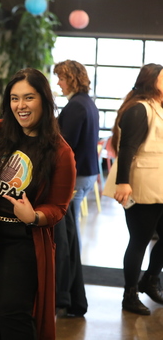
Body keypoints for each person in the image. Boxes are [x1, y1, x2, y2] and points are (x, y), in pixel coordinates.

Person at [0, 68, 76, 340]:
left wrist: (34, 216)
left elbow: (58, 207)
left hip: (22, 240)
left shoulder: (60, 151)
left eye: (29, 98)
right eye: (14, 98)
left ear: (44, 99)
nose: (21, 106)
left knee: (12, 315)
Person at [104, 63, 163, 316]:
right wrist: (123, 182)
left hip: (159, 184)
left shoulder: (157, 107)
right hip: (140, 184)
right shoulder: (139, 109)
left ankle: (149, 279)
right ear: (151, 80)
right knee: (139, 240)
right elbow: (127, 148)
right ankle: (130, 294)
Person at [54, 60, 100, 245]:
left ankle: (73, 270)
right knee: (72, 223)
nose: (58, 83)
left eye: (61, 78)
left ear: (72, 79)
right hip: (87, 172)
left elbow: (66, 143)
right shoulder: (86, 102)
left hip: (78, 174)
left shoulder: (76, 106)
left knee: (70, 227)